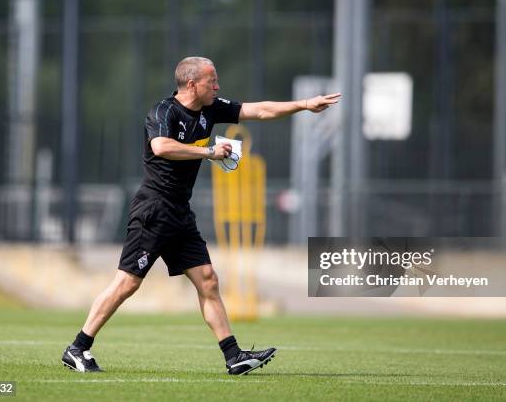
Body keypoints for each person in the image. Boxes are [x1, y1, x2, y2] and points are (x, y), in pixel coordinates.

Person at [61, 56, 340, 375]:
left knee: (208, 280)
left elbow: (258, 110)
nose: (218, 86)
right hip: (154, 210)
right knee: (127, 283)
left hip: (180, 212)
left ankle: (233, 356)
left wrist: (305, 104)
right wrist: (208, 152)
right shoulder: (164, 111)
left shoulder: (211, 108)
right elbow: (162, 146)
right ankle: (77, 348)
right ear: (192, 84)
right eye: (212, 81)